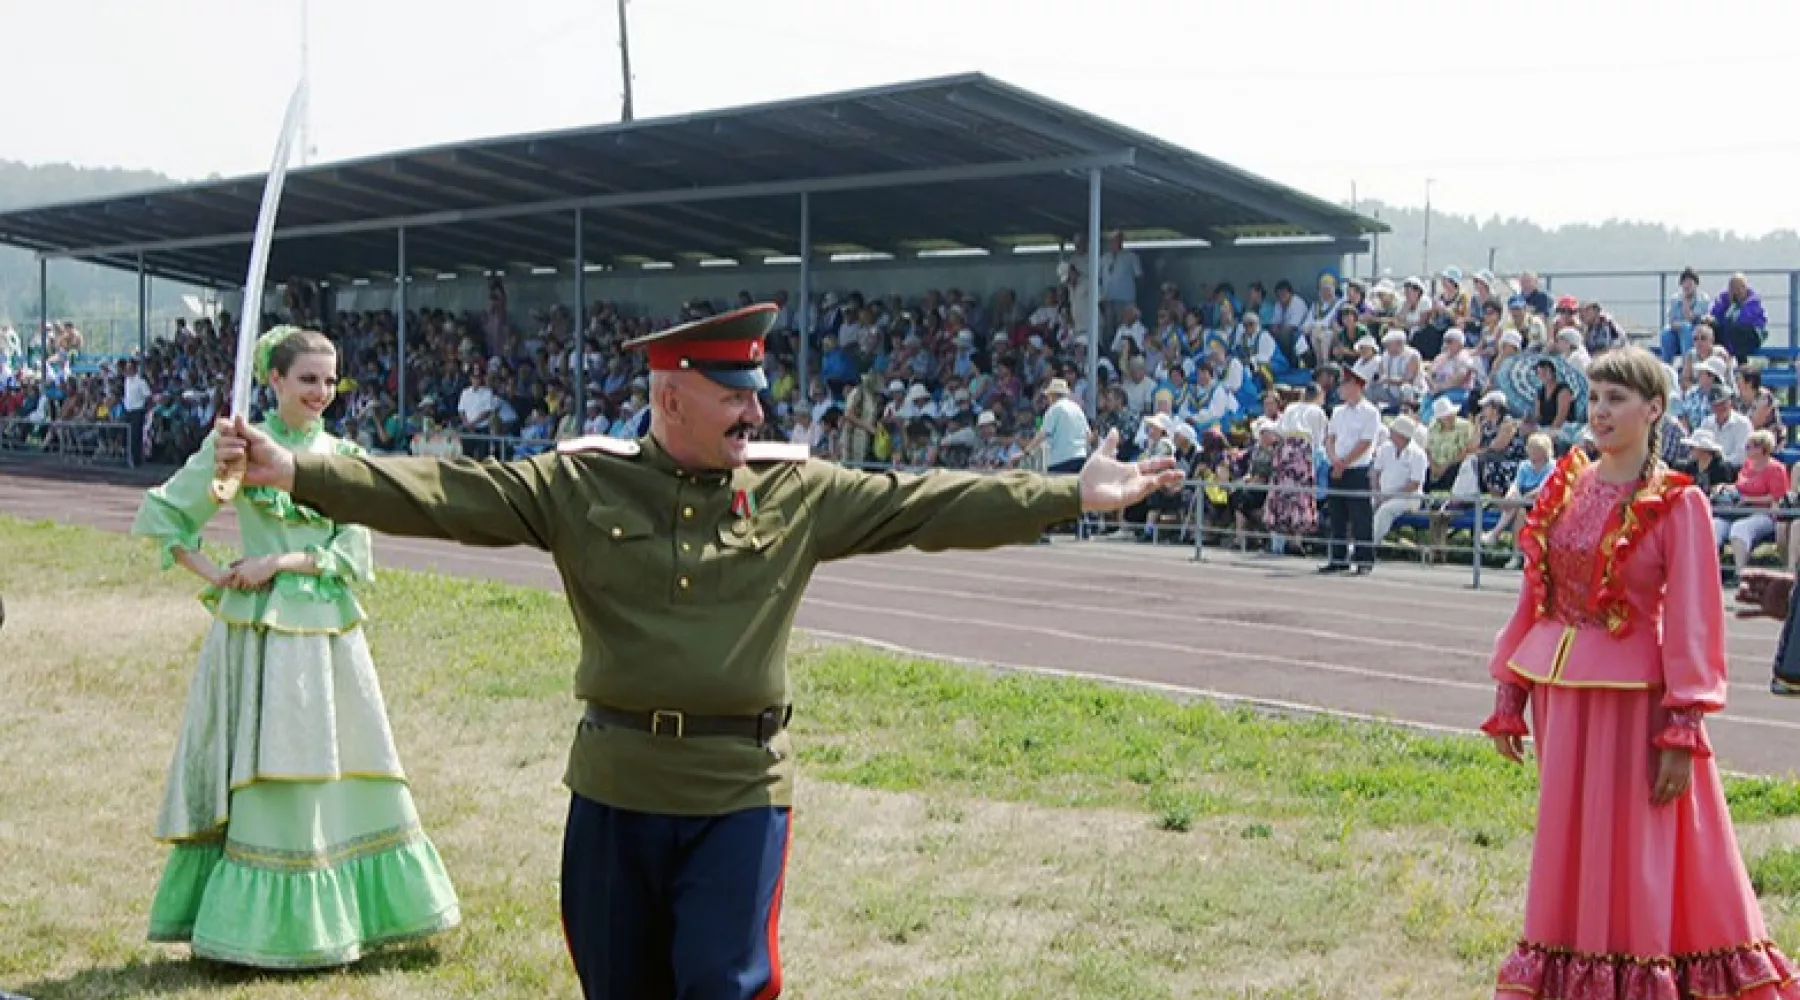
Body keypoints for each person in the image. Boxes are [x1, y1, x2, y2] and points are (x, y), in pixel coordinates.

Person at [206, 303, 1182, 1000]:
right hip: (617, 788)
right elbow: (442, 493)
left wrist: (1066, 492)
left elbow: (923, 501)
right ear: (671, 396)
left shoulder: (799, 493)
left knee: (723, 982)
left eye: (758, 394)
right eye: (734, 396)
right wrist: (296, 467)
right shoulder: (581, 485)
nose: (757, 413)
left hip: (736, 791)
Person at [129, 326, 460, 969]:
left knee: (337, 763)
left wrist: (276, 559)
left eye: (330, 380)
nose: (321, 392)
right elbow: (168, 514)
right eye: (307, 378)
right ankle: (257, 928)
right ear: (274, 381)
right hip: (258, 635)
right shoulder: (237, 447)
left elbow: (352, 553)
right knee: (268, 770)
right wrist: (219, 573)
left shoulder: (343, 454)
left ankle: (349, 914)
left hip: (328, 634)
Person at [1478, 345, 1799, 1000]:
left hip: (1638, 705)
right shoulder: (1563, 487)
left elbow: (1693, 622)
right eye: (1594, 398)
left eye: (1616, 399)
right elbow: (1535, 595)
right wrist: (1511, 688)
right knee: (1571, 842)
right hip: (1563, 698)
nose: (1600, 412)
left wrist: (1684, 725)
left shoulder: (1678, 504)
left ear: (1654, 409)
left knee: (1640, 846)